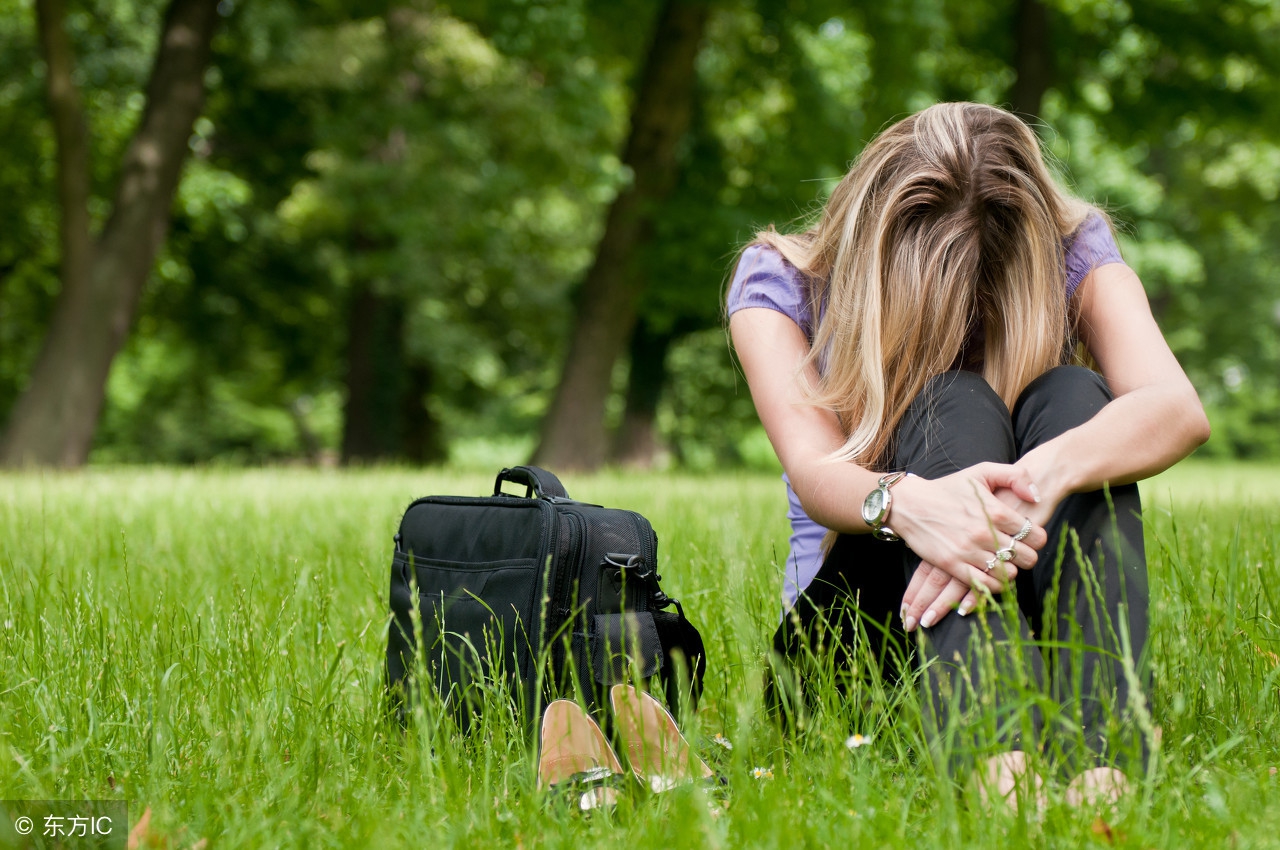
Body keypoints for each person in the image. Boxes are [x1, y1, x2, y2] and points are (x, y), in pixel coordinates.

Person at [727, 102, 1209, 806]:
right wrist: (912, 504)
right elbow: (815, 469)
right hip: (864, 637)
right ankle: (998, 765)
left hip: (1034, 624)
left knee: (1078, 397)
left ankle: (1101, 759)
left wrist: (1048, 473)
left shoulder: (1076, 250)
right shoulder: (779, 279)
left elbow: (1176, 408)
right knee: (948, 400)